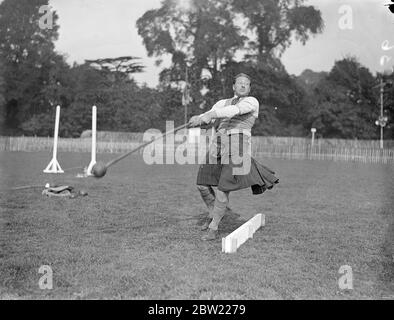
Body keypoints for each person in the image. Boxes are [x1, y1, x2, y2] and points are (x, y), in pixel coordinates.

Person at [188, 73, 279, 241]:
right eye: (240, 83)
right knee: (201, 184)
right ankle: (212, 214)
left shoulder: (251, 102)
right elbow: (209, 114)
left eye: (246, 84)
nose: (243, 86)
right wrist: (198, 119)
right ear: (233, 86)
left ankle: (213, 228)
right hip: (217, 147)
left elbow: (234, 111)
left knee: (223, 190)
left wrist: (210, 115)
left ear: (249, 88)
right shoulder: (222, 103)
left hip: (237, 149)